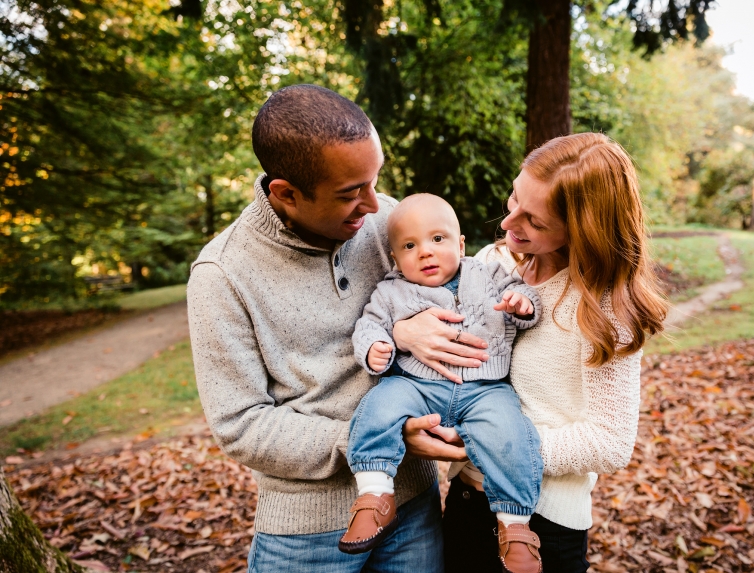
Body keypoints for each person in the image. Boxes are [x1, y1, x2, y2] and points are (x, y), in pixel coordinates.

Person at [186, 85, 481, 573]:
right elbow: (240, 425)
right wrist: (378, 438)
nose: (373, 204)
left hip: (414, 505)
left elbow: (456, 286)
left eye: (374, 180)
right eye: (350, 193)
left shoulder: (387, 219)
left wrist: (405, 331)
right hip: (305, 535)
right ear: (287, 194)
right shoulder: (222, 274)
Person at [392, 133, 667, 573]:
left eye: (533, 222)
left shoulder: (605, 310)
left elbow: (610, 443)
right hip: (467, 497)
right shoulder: (495, 261)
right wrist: (405, 332)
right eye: (514, 198)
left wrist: (491, 445)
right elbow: (416, 306)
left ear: (583, 229)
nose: (507, 223)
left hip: (544, 520)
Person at [339, 194, 544, 573]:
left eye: (438, 239)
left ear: (461, 244)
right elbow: (367, 325)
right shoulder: (390, 291)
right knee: (380, 404)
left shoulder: (489, 273)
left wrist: (522, 303)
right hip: (417, 385)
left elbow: (526, 294)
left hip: (486, 388)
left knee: (510, 432)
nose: (425, 253)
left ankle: (514, 526)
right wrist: (375, 347)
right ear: (396, 257)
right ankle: (374, 494)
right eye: (409, 246)